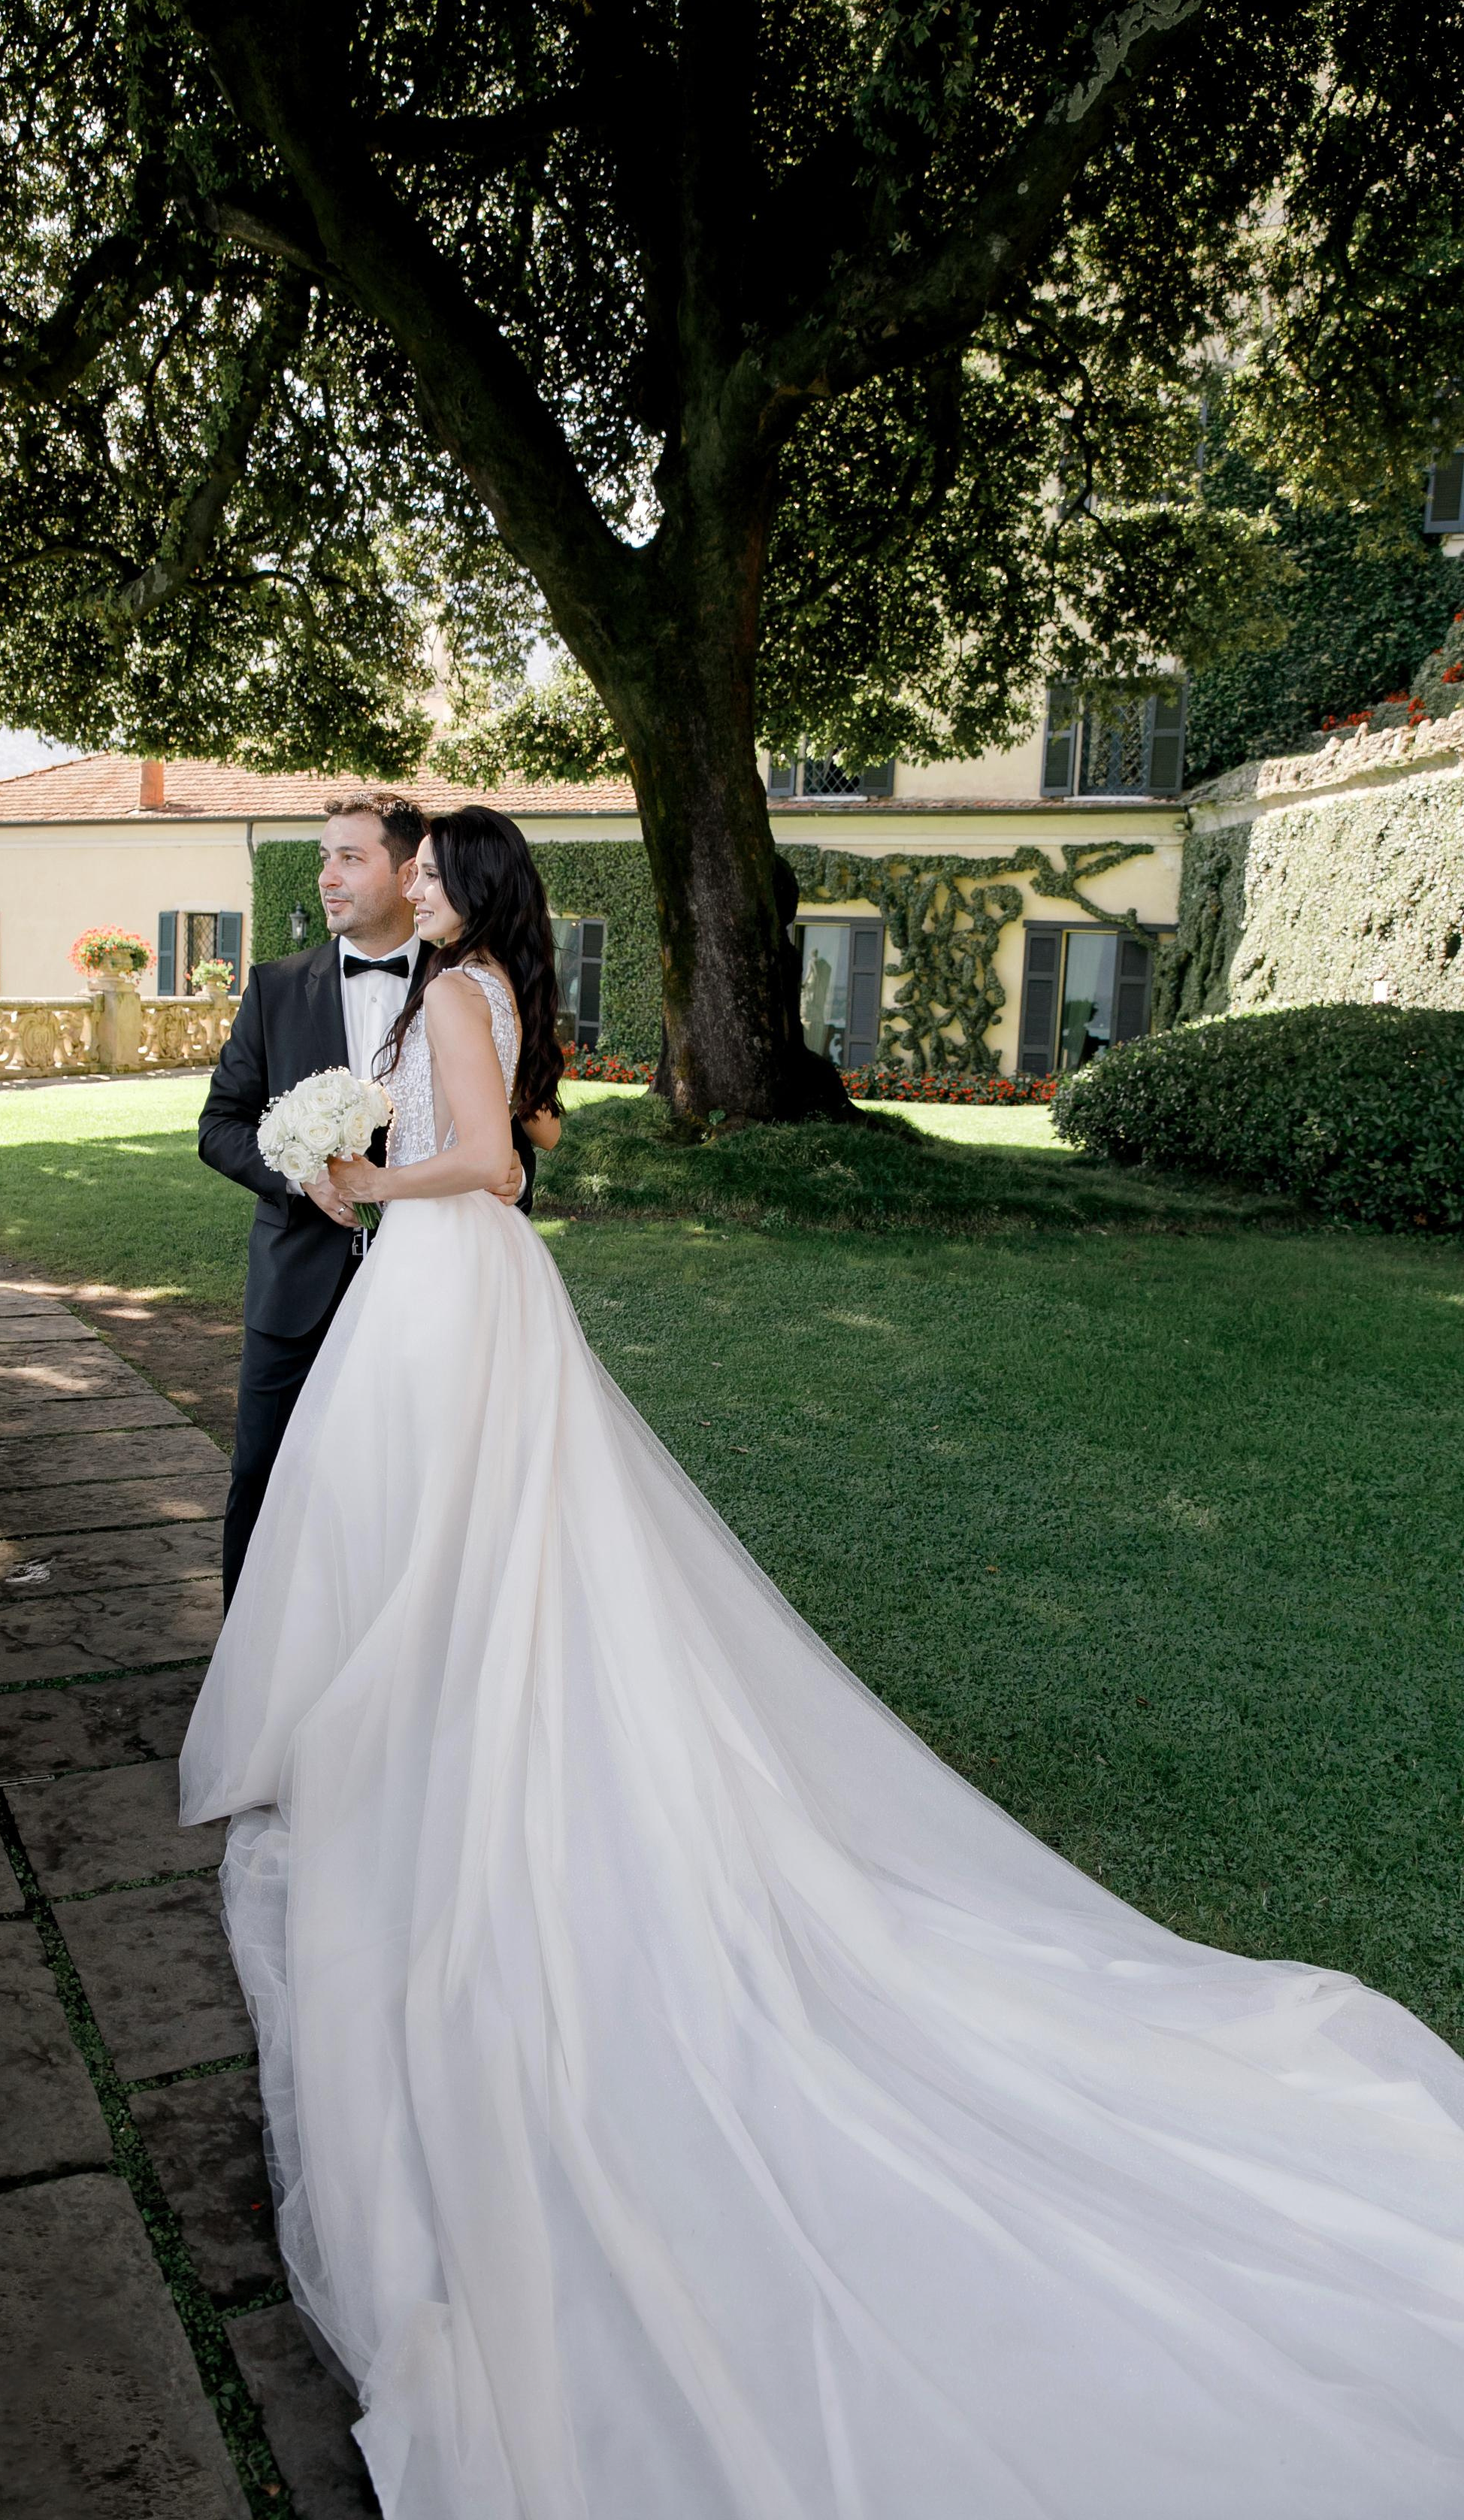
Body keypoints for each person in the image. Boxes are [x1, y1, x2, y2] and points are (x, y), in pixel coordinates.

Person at [182, 807, 1464, 2520]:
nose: (402, 873)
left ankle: (471, 1751)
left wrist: (365, 1175)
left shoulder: (470, 987)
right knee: (441, 1536)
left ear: (467, 888)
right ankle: (419, 1724)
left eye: (426, 862)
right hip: (431, 1293)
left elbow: (495, 1170)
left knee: (480, 1539)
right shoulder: (455, 981)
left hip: (450, 1269)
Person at [197, 792, 533, 1604]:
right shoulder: (276, 988)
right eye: (323, 857)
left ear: (407, 867)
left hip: (429, 1286)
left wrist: (516, 1171)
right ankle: (250, 1668)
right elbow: (219, 1126)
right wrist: (301, 1171)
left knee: (412, 1491)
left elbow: (507, 1119)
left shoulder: (466, 976)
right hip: (296, 1285)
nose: (326, 876)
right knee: (266, 1475)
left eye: (350, 857)